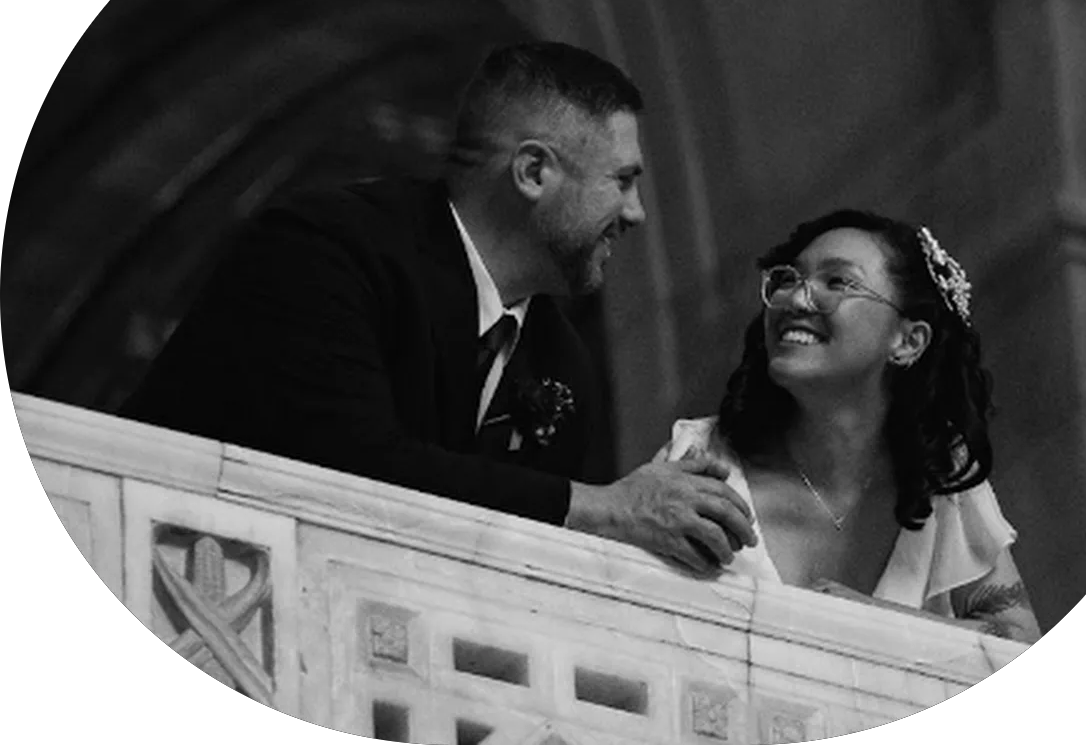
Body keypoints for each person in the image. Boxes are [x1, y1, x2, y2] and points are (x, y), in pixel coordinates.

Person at [120, 41, 757, 573]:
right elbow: (352, 468)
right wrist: (605, 508)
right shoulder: (326, 249)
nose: (636, 213)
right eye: (622, 181)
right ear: (533, 172)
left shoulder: (560, 361)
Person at [653, 209, 1041, 644]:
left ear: (907, 341)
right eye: (787, 279)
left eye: (837, 282)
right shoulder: (701, 458)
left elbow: (1016, 639)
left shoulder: (940, 476)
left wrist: (873, 623)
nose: (796, 299)